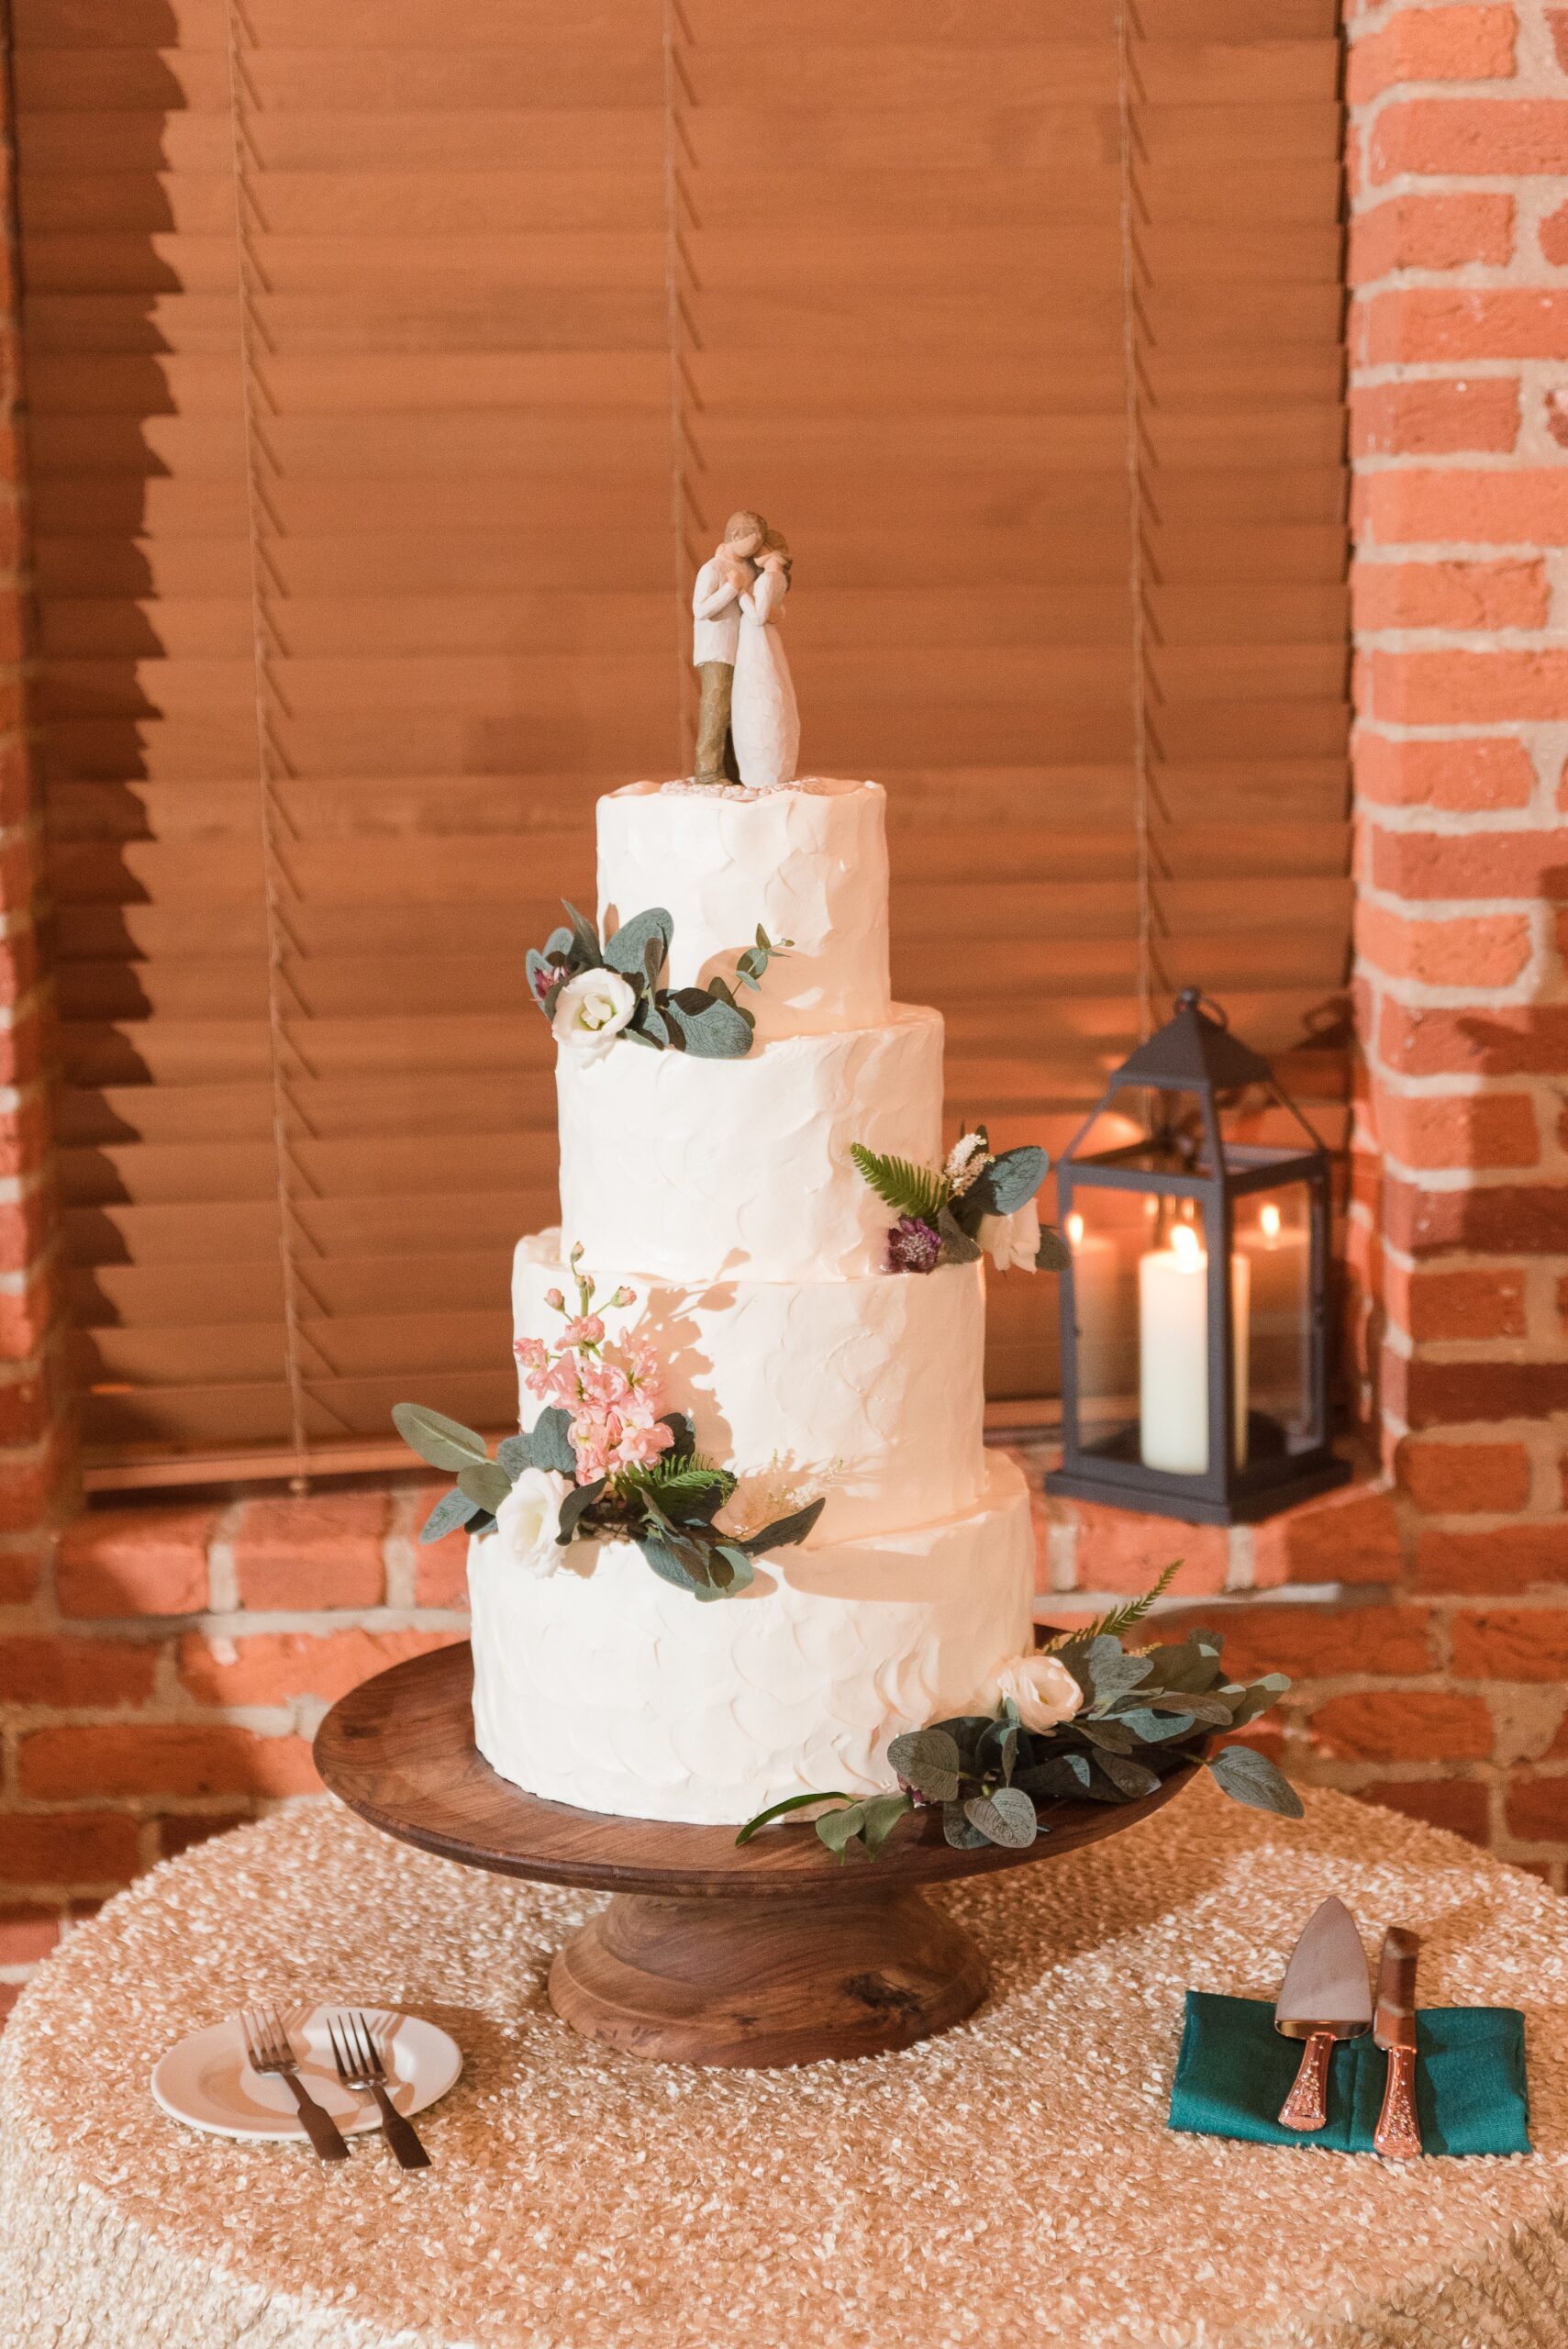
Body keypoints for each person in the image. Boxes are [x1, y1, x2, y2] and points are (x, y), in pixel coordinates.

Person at [690, 511, 766, 786]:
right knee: (716, 706)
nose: (756, 548)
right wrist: (730, 590)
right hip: (716, 650)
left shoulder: (748, 570)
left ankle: (734, 769)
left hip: (742, 652)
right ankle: (708, 769)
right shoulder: (713, 569)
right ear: (736, 536)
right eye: (752, 541)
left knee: (738, 712)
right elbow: (700, 609)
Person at [729, 530, 798, 792]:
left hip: (756, 639)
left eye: (758, 549)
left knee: (758, 692)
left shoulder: (769, 578)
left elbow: (757, 616)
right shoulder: (777, 579)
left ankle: (762, 768)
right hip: (765, 639)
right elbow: (774, 612)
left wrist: (738, 592)